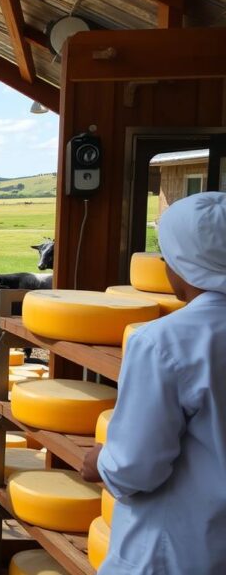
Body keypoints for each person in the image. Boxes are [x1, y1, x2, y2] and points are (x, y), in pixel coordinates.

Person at [81, 191, 226, 574]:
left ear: (185, 263)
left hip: (174, 552)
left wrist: (101, 462)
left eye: (167, 257)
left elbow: (137, 467)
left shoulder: (163, 342)